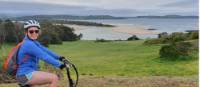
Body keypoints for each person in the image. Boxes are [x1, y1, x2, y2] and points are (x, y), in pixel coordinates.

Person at [16, 20, 66, 87]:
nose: (34, 33)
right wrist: (60, 65)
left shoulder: (34, 42)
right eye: (31, 31)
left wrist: (59, 57)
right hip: (25, 75)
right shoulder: (28, 44)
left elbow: (45, 50)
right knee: (54, 78)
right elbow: (44, 56)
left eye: (36, 31)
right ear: (26, 32)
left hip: (25, 74)